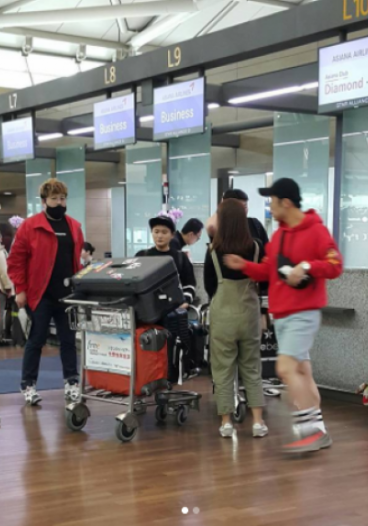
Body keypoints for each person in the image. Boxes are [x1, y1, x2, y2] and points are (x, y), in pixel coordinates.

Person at [224, 178, 342, 454]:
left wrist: (307, 266)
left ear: (286, 203)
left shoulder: (317, 231)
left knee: (285, 369)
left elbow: (335, 265)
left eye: (272, 201)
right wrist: (245, 266)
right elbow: (268, 270)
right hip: (283, 315)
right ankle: (319, 429)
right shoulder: (278, 236)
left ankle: (310, 431)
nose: (270, 207)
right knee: (302, 371)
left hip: (303, 313)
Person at [8, 179, 85, 407]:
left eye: (62, 199)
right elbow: (16, 261)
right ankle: (28, 384)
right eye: (54, 199)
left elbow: (76, 261)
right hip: (40, 294)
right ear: (44, 201)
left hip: (67, 295)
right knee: (36, 339)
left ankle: (72, 382)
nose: (59, 203)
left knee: (68, 340)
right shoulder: (30, 226)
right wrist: (20, 290)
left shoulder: (74, 226)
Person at [204, 199, 267, 439]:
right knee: (252, 367)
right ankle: (258, 422)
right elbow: (263, 280)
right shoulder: (257, 247)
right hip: (249, 314)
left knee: (222, 370)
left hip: (223, 316)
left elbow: (209, 286)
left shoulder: (213, 250)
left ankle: (226, 423)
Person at [136, 215, 196, 308]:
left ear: (172, 235)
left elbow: (189, 285)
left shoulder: (180, 257)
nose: (159, 236)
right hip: (148, 310)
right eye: (156, 232)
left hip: (175, 309)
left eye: (164, 232)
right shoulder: (142, 256)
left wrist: (185, 302)